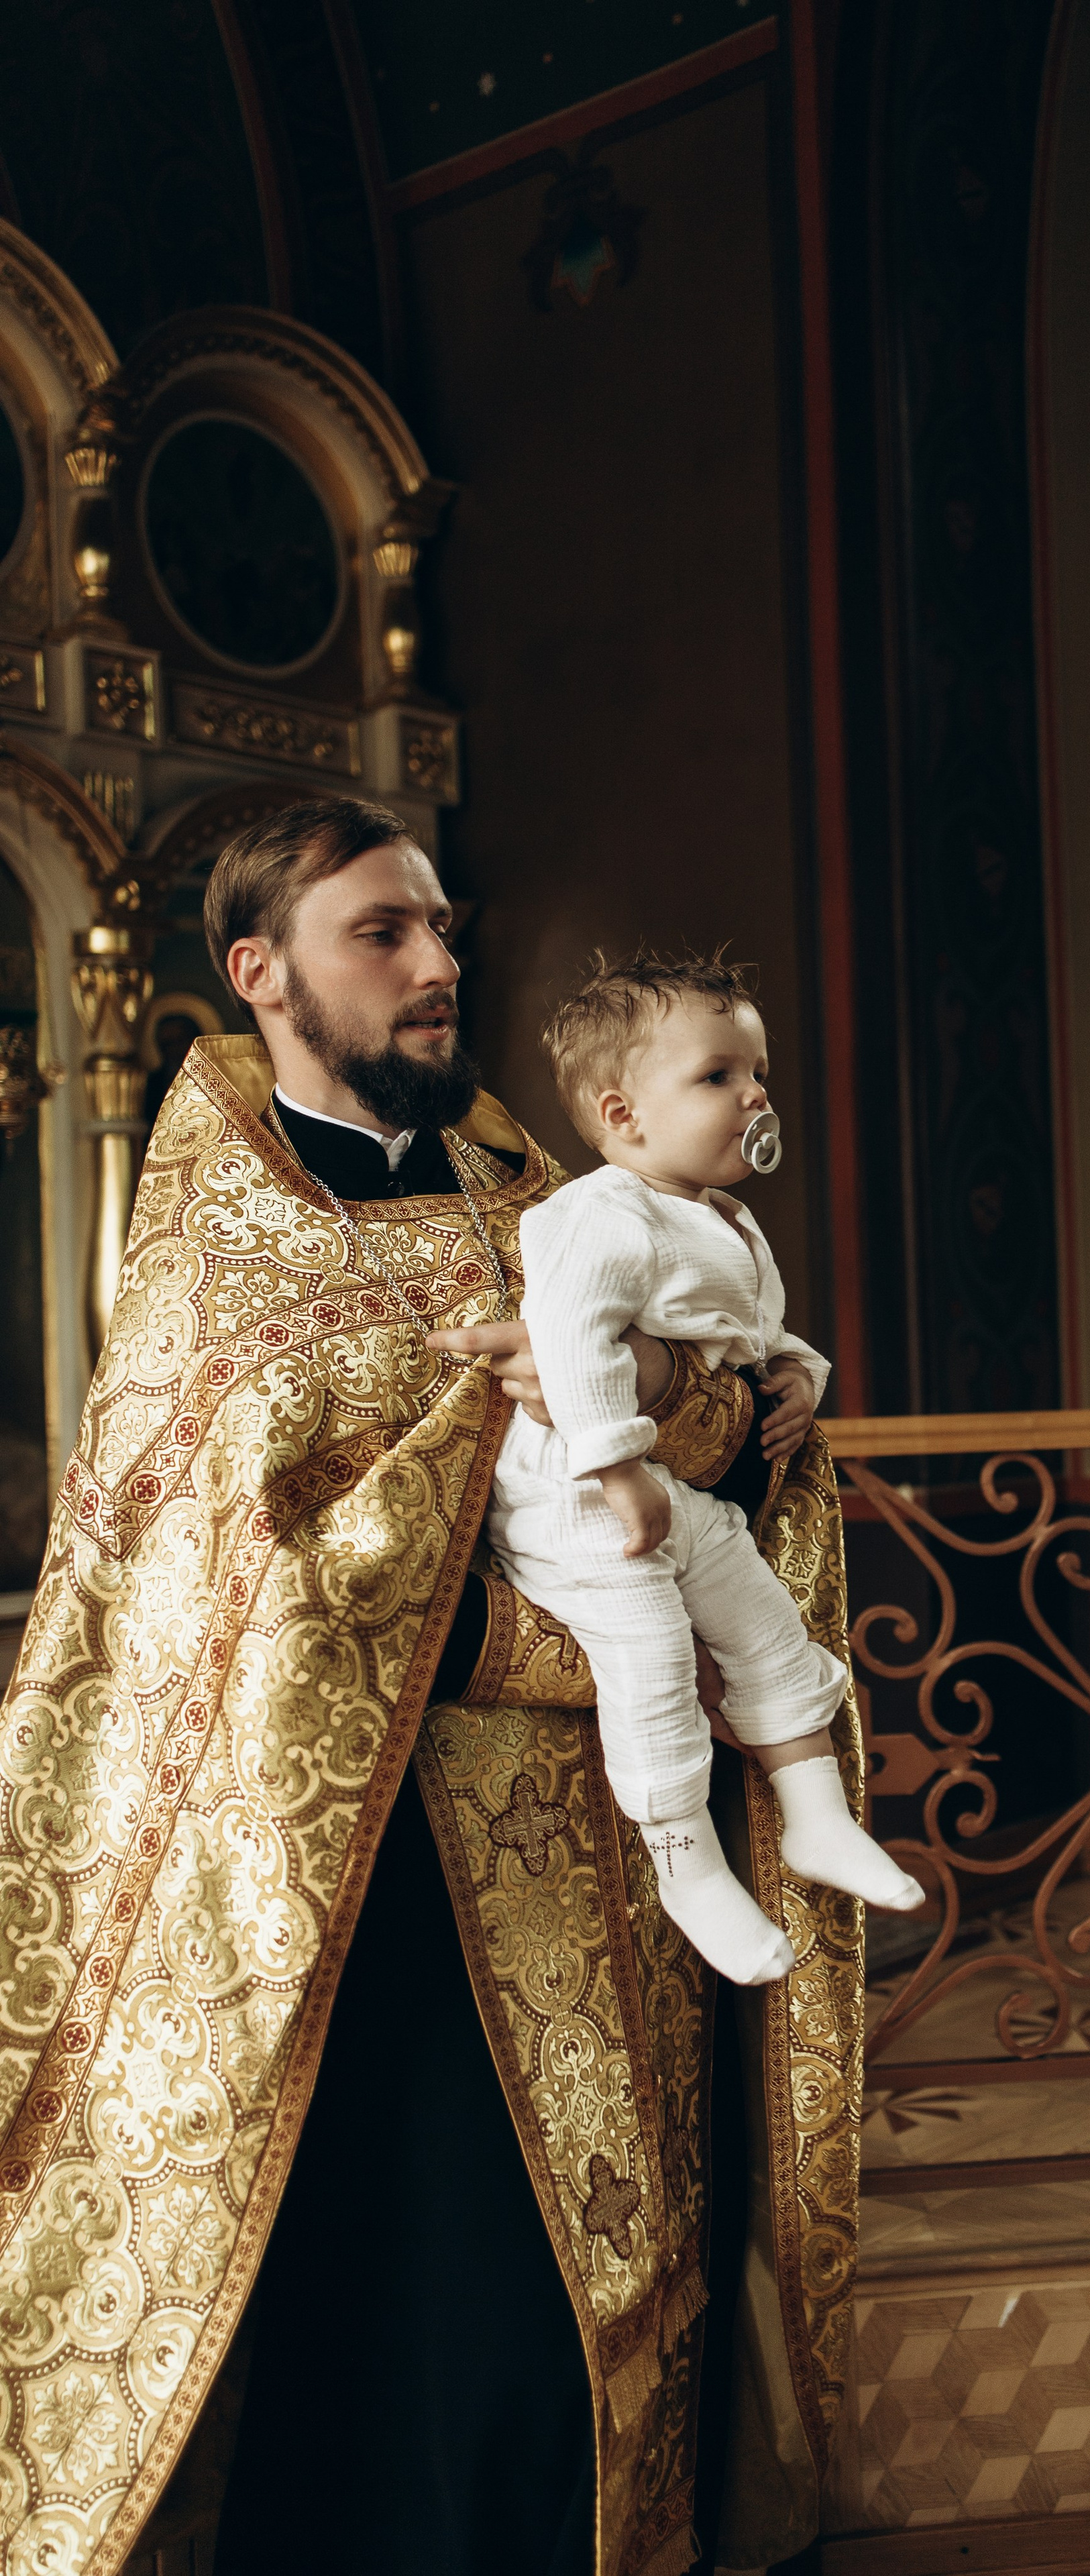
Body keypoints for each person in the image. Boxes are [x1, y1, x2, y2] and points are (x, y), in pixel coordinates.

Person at [0, 797, 863, 2576]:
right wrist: (495, 1478)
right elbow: (218, 1571)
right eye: (381, 933)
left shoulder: (535, 1201)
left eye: (441, 929)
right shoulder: (222, 1261)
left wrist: (759, 1423)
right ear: (261, 973)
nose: (437, 965)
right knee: (393, 2321)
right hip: (346, 1909)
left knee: (578, 2320)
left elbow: (682, 1430)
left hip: (587, 1882)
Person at [489, 951, 922, 1985]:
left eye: (757, 1071)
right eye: (720, 1076)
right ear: (623, 1114)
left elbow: (749, 1333)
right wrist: (616, 1470)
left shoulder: (720, 1216)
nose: (756, 1093)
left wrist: (801, 1374)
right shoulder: (602, 1215)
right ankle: (686, 1867)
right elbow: (569, 1340)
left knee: (771, 1625)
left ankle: (816, 1819)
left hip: (667, 1491)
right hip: (575, 1495)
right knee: (651, 1663)